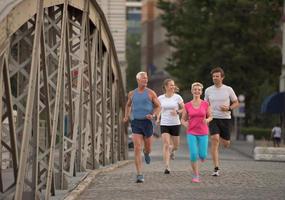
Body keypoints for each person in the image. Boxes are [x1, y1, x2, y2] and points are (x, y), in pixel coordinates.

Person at [123, 72, 161, 183]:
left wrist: (153, 115)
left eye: (146, 79)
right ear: (138, 80)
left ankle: (147, 153)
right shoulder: (132, 94)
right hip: (136, 123)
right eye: (143, 79)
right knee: (137, 148)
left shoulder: (150, 93)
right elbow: (128, 105)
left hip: (148, 123)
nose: (145, 80)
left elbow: (159, 106)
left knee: (148, 147)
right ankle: (139, 174)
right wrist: (126, 116)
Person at [204, 67, 239, 177]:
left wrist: (228, 108)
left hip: (225, 119)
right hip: (213, 118)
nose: (215, 78)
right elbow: (205, 104)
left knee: (226, 143)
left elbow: (236, 102)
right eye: (213, 76)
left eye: (217, 76)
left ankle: (226, 141)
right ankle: (216, 167)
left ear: (222, 77)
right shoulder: (208, 90)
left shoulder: (228, 89)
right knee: (214, 139)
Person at [181, 82, 212, 183]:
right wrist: (186, 125)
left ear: (201, 92)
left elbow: (211, 116)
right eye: (195, 89)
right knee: (194, 154)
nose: (197, 91)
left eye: (199, 90)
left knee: (203, 154)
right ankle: (196, 175)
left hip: (203, 132)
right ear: (192, 91)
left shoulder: (206, 104)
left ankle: (202, 156)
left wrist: (207, 120)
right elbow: (183, 119)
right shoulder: (187, 105)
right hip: (191, 132)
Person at [156, 79, 184, 174]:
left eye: (173, 85)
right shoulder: (160, 98)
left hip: (175, 123)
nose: (173, 87)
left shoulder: (178, 97)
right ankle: (167, 166)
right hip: (164, 123)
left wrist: (177, 112)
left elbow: (184, 109)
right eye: (171, 85)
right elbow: (159, 110)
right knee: (166, 144)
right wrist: (157, 118)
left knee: (175, 146)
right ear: (165, 87)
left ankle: (173, 151)